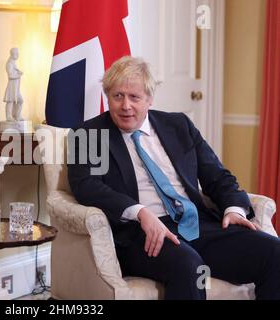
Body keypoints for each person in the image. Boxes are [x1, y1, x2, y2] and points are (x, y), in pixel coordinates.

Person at [68, 56, 280, 300]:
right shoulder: (89, 134)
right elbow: (86, 186)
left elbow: (217, 176)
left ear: (149, 99)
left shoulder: (178, 125)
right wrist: (140, 212)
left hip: (195, 224)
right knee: (188, 266)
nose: (125, 105)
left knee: (274, 252)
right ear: (107, 97)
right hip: (141, 233)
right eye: (117, 96)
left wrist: (234, 209)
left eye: (134, 97)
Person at [3, 47, 24, 121]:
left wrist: (18, 72)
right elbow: (10, 75)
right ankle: (9, 116)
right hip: (12, 86)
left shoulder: (13, 63)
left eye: (18, 53)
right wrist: (19, 75)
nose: (18, 55)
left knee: (20, 100)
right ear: (12, 54)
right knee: (10, 100)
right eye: (16, 54)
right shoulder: (9, 64)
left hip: (16, 87)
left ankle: (17, 115)